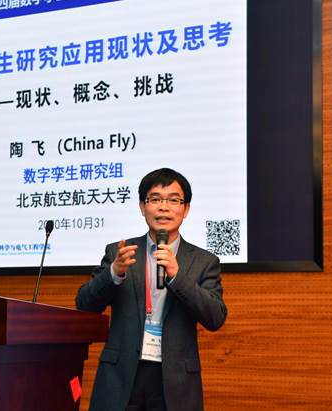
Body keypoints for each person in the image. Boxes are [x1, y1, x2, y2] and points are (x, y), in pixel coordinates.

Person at [76, 168, 227, 411]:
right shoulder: (119, 252)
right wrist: (114, 273)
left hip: (175, 379)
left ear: (186, 209)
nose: (163, 207)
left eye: (173, 200)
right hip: (122, 375)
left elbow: (215, 317)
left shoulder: (203, 261)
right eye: (155, 199)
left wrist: (177, 277)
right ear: (142, 206)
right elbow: (85, 304)